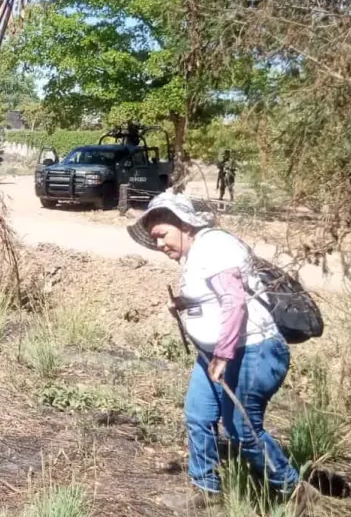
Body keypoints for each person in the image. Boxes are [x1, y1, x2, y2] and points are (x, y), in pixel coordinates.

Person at [127, 192, 310, 514]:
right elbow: (212, 296)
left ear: (184, 225)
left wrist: (223, 355)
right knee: (199, 416)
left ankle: (294, 490)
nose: (159, 244)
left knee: (241, 428)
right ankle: (207, 489)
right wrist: (183, 303)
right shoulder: (197, 252)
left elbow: (234, 301)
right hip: (218, 353)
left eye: (162, 235)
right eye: (154, 238)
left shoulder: (214, 246)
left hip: (251, 350)